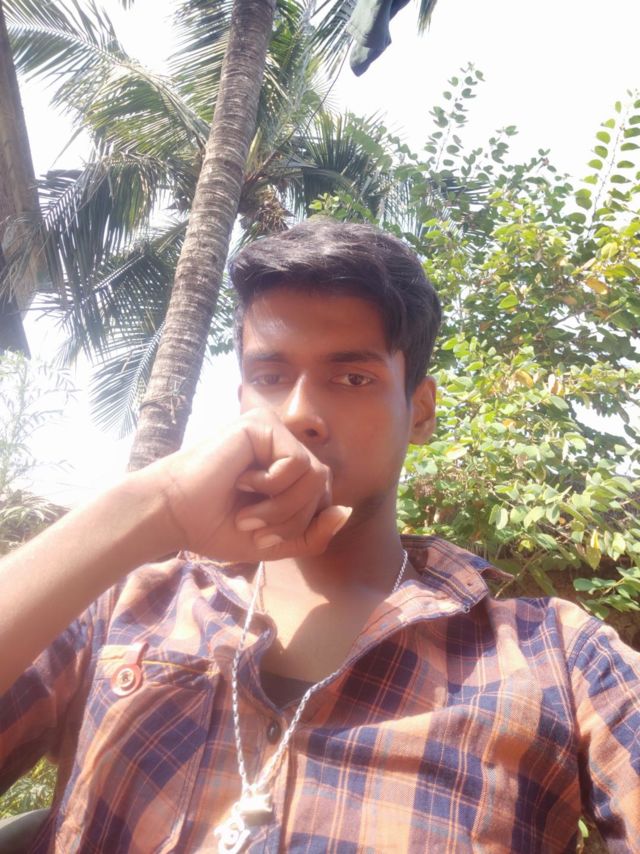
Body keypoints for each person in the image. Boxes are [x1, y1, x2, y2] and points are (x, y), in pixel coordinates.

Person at [0, 218, 638, 853]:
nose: (300, 413)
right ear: (242, 401)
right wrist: (154, 505)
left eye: (353, 377)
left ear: (419, 412)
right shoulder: (122, 609)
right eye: (271, 378)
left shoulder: (556, 656)